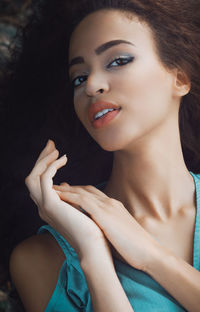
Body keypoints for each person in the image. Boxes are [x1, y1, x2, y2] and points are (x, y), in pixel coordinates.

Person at [8, 0, 200, 311]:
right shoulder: (43, 259)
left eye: (118, 60)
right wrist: (92, 252)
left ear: (180, 77)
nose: (92, 86)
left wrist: (151, 255)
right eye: (79, 78)